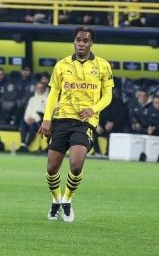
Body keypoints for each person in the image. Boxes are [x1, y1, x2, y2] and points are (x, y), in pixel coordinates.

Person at [38, 27, 114, 222]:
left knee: (76, 164)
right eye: (78, 40)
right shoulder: (61, 65)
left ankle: (67, 199)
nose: (81, 43)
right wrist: (47, 119)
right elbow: (54, 94)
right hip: (61, 119)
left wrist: (93, 109)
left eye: (85, 40)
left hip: (84, 122)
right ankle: (56, 200)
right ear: (74, 41)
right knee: (52, 167)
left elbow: (108, 96)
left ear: (91, 43)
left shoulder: (103, 66)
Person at [18, 80, 48, 153]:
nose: (39, 89)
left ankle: (26, 145)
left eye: (41, 88)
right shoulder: (32, 99)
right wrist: (27, 119)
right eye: (38, 88)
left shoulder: (47, 99)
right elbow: (28, 111)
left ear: (44, 88)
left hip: (39, 121)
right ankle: (22, 144)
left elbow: (43, 112)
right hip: (29, 119)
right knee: (23, 124)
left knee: (33, 127)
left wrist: (34, 119)